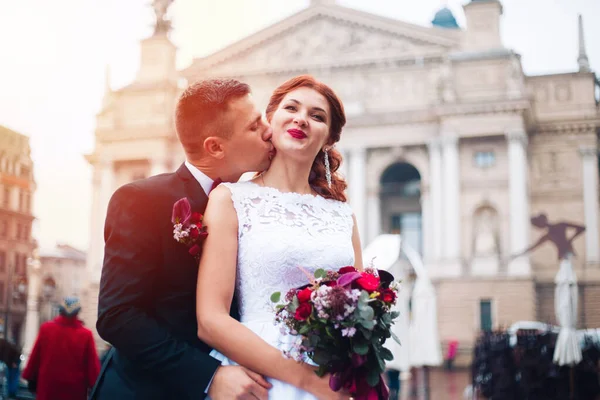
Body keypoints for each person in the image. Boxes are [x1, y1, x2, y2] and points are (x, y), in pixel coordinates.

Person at [91, 79, 276, 400]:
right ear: (215, 146)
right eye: (254, 125)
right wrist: (209, 376)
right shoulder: (141, 200)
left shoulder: (257, 207)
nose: (269, 130)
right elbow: (117, 316)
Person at [196, 75, 364, 399]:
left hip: (336, 381)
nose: (302, 118)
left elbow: (360, 312)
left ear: (328, 138)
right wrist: (308, 380)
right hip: (260, 378)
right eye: (292, 107)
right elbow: (210, 319)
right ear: (269, 119)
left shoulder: (344, 215)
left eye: (317, 116)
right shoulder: (230, 199)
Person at [21, 296, 100, 400]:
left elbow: (35, 358)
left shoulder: (46, 329)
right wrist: (96, 385)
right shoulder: (86, 335)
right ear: (77, 313)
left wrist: (30, 376)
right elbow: (92, 366)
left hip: (47, 388)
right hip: (75, 391)